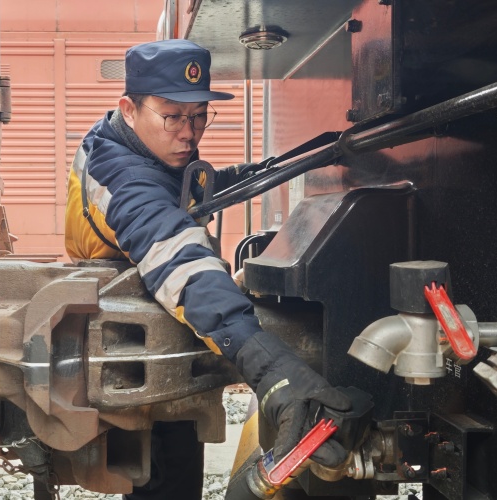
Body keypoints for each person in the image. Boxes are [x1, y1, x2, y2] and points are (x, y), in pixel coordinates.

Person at [65, 39, 352, 499]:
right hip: (135, 341)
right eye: (173, 117)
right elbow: (181, 260)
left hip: (156, 314)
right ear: (129, 109)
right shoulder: (124, 177)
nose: (189, 134)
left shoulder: (132, 142)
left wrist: (260, 172)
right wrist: (270, 369)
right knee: (166, 465)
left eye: (199, 116)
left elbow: (184, 188)